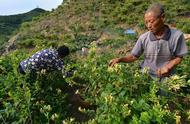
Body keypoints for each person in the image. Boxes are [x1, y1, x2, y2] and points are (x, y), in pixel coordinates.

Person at [109, 3, 188, 79]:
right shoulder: (143, 38)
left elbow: (179, 57)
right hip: (147, 77)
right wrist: (120, 59)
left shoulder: (177, 36)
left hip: (168, 78)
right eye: (146, 22)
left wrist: (168, 66)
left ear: (163, 18)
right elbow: (133, 56)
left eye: (151, 21)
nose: (149, 26)